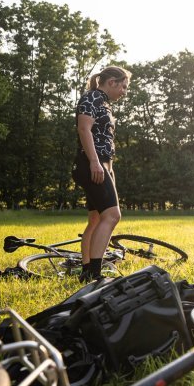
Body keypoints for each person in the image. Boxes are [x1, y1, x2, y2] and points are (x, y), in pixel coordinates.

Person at [71, 66, 131, 282]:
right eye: (123, 86)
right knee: (113, 215)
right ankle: (95, 273)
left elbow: (104, 139)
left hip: (102, 164)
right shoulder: (92, 98)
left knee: (96, 219)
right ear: (111, 82)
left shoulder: (104, 103)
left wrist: (109, 167)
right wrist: (95, 162)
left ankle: (86, 271)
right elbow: (84, 129)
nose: (124, 91)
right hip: (91, 164)